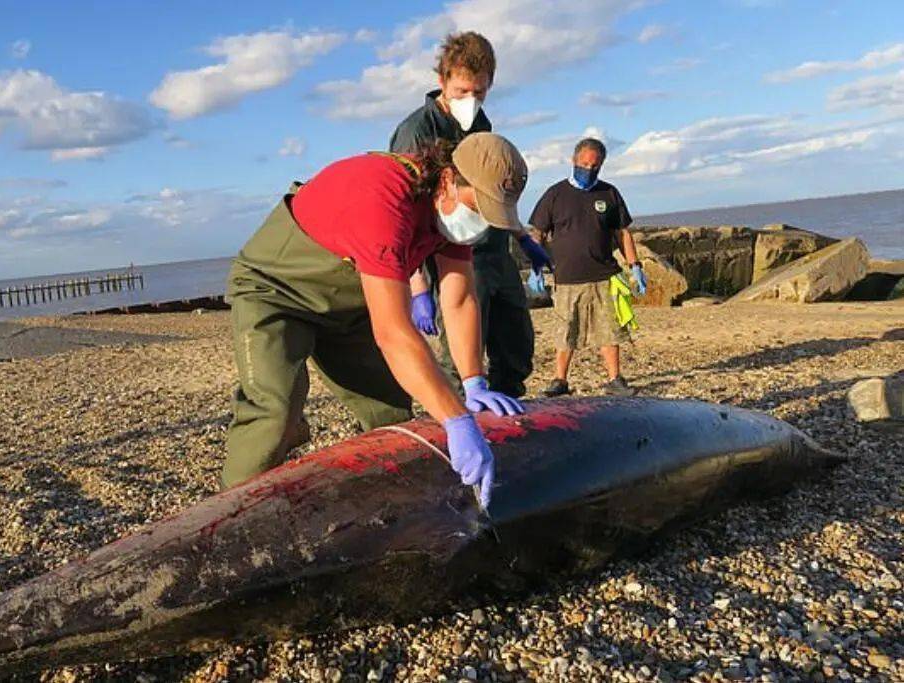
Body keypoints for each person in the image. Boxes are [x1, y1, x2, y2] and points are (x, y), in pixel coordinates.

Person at [222, 133, 530, 509]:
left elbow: (461, 297)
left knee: (390, 413)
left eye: (490, 215)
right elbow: (393, 334)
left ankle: (400, 510)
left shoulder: (446, 214)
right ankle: (224, 521)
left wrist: (473, 382)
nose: (479, 222)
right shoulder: (384, 198)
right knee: (274, 411)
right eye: (477, 207)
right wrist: (457, 419)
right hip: (275, 291)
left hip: (348, 309)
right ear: (449, 178)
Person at [389, 32, 551, 399]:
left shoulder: (481, 125)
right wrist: (418, 289)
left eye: (479, 92)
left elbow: (494, 188)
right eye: (462, 91)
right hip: (452, 254)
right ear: (442, 81)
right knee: (464, 354)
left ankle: (509, 410)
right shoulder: (418, 132)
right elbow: (406, 212)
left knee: (515, 346)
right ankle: (461, 419)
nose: (471, 100)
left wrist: (522, 237)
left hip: (495, 247)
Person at [528, 137, 647, 397]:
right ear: (574, 160)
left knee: (611, 330)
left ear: (601, 165)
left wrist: (635, 266)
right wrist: (535, 268)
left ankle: (615, 379)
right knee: (566, 331)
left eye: (595, 166)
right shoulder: (555, 194)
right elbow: (537, 233)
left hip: (605, 275)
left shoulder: (609, 193)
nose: (589, 169)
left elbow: (623, 232)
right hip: (568, 277)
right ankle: (560, 380)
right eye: (584, 164)